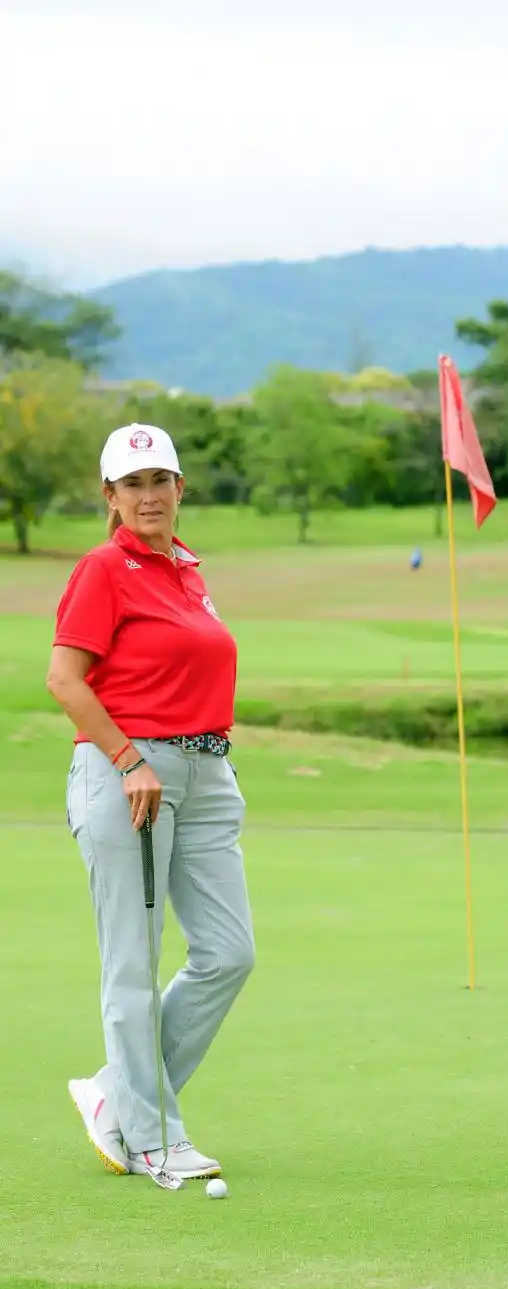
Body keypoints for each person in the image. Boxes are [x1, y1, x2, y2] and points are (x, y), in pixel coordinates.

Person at [47, 423, 256, 1181]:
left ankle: (117, 1091)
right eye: (131, 484)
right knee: (133, 961)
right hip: (128, 775)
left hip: (205, 775)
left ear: (180, 487)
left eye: (159, 480)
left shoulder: (189, 572)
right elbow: (65, 679)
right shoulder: (104, 569)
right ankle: (150, 1136)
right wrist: (130, 758)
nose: (148, 496)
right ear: (109, 495)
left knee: (229, 953)